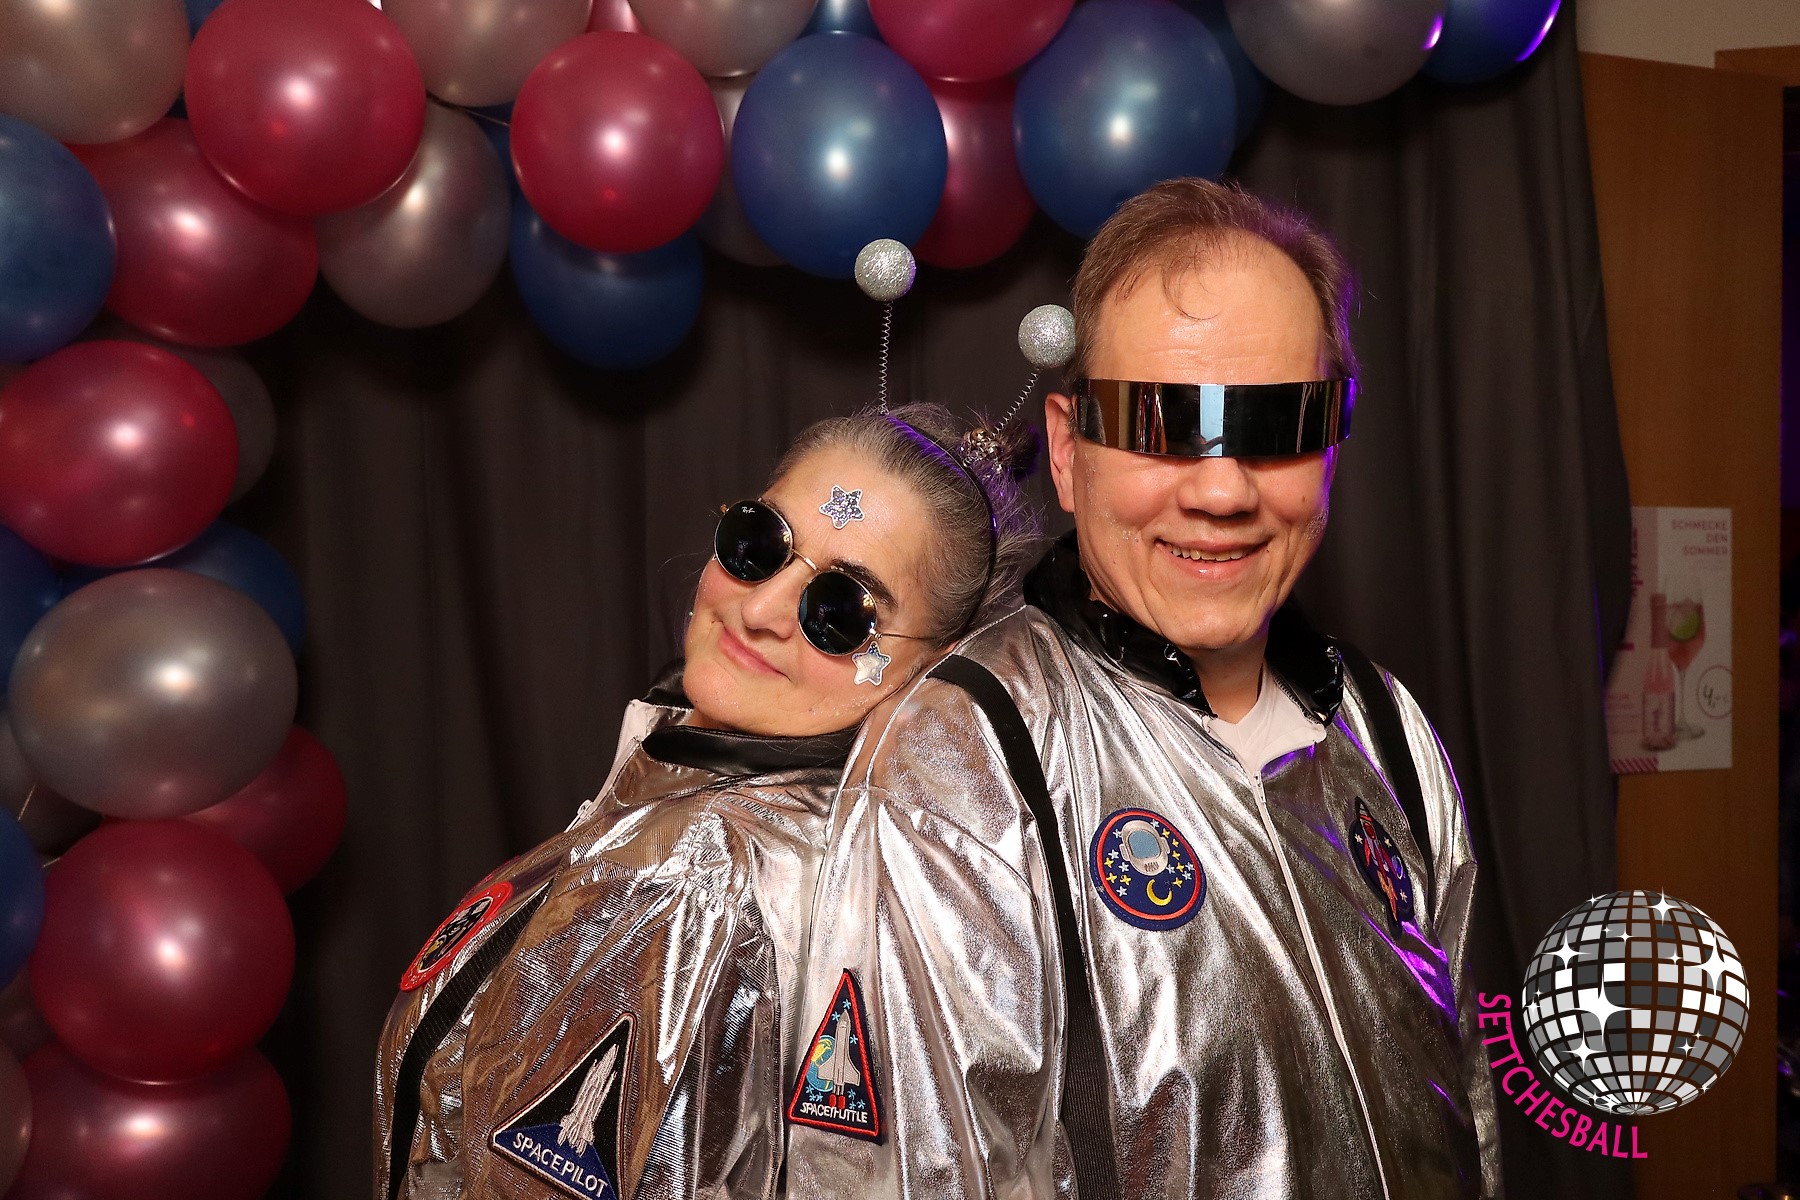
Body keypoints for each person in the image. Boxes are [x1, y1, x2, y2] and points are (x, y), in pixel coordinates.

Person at [794, 180, 1502, 1199]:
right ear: (1069, 452)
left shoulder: (1385, 724)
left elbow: (1470, 1104)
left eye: (1277, 423)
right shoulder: (969, 759)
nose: (1221, 491)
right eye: (1164, 422)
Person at [372, 404, 1039, 1200]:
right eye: (758, 546)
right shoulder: (816, 834)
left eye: (841, 611)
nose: (758, 612)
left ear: (933, 668)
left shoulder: (690, 876)